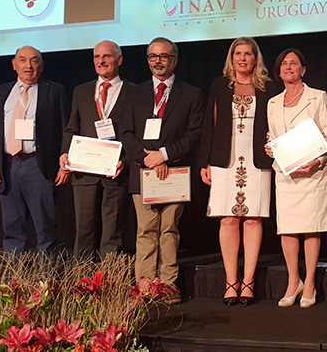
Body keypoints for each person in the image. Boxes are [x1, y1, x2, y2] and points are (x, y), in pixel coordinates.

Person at [118, 37, 204, 304]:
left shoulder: (191, 94)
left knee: (169, 231)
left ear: (174, 60)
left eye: (164, 56)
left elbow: (195, 134)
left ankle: (167, 286)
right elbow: (126, 132)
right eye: (153, 56)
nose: (158, 61)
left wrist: (164, 155)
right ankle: (144, 288)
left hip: (173, 173)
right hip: (142, 172)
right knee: (145, 231)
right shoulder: (133, 92)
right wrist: (147, 159)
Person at [198, 37, 281, 306]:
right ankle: (230, 282)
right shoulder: (219, 85)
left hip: (257, 159)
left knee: (254, 219)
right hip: (225, 158)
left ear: (256, 59)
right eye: (238, 53)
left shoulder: (268, 87)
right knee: (228, 220)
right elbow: (209, 125)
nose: (243, 58)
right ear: (231, 58)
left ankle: (248, 282)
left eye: (248, 53)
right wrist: (205, 162)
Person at [264, 49, 327, 308]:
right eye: (284, 63)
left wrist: (316, 162)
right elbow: (273, 136)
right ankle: (292, 280)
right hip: (286, 174)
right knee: (287, 228)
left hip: (312, 174)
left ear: (303, 70)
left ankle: (309, 283)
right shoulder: (272, 102)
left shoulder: (317, 97)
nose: (288, 67)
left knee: (310, 227)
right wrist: (270, 147)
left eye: (293, 63)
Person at [0, 46, 70, 253]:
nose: (28, 66)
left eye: (34, 61)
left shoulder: (55, 91)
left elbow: (67, 131)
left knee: (45, 230)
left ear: (41, 66)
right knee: (12, 230)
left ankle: (47, 282)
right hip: (7, 167)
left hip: (38, 165)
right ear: (14, 65)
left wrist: (66, 165)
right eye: (22, 60)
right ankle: (15, 282)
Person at [60, 40, 131, 257]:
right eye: (97, 57)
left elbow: (136, 135)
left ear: (119, 59)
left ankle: (109, 284)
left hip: (115, 171)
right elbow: (72, 128)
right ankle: (81, 283)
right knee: (84, 232)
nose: (101, 61)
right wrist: (65, 153)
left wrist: (125, 161)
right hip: (85, 172)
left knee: (112, 234)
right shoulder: (81, 91)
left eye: (107, 56)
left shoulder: (134, 92)